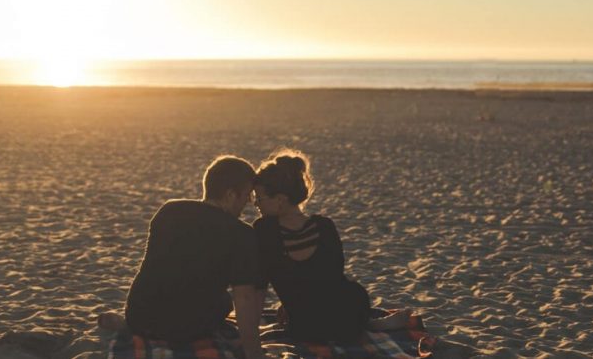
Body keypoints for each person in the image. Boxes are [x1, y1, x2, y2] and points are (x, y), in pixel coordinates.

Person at [101, 155, 266, 359]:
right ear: (231, 195)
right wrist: (254, 353)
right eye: (247, 196)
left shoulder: (169, 210)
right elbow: (244, 298)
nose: (247, 204)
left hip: (139, 316)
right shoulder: (241, 233)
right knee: (224, 303)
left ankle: (126, 327)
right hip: (187, 329)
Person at [252, 149, 411, 343]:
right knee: (352, 294)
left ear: (280, 200)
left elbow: (260, 284)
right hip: (346, 317)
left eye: (259, 198)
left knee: (327, 308)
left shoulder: (264, 230)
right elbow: (331, 278)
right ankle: (369, 325)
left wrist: (288, 303)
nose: (256, 204)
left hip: (304, 326)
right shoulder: (324, 226)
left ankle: (369, 325)